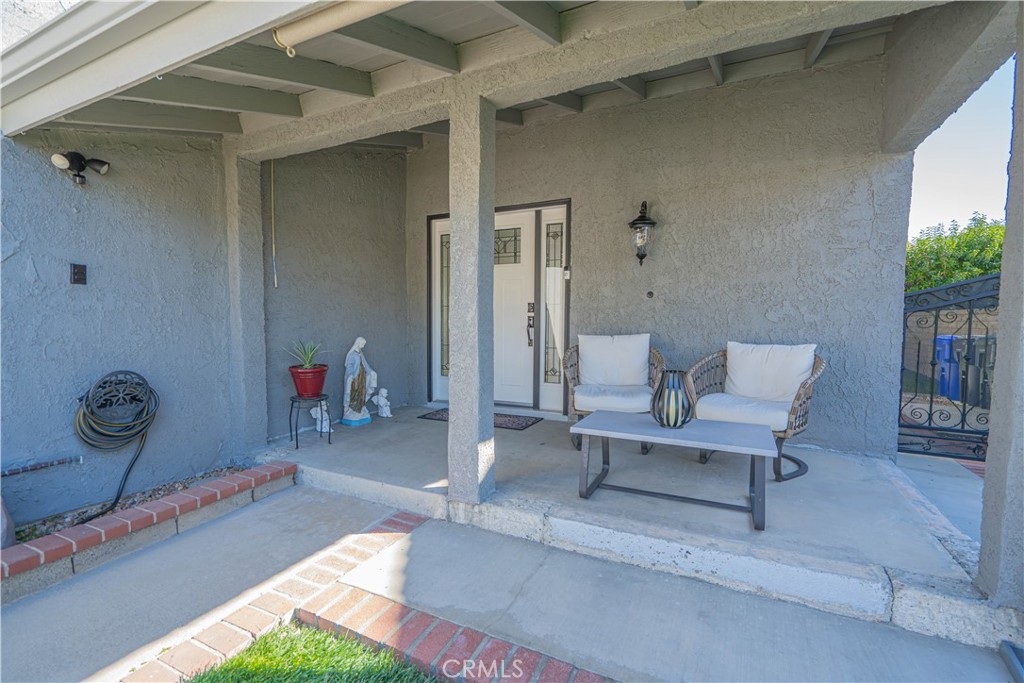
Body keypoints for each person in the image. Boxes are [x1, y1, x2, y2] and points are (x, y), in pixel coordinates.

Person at [342, 336, 377, 426]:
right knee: (354, 393)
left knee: (361, 393)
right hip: (355, 378)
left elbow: (365, 365)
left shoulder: (360, 354)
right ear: (358, 343)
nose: (363, 346)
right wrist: (351, 375)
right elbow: (349, 366)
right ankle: (353, 409)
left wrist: (371, 372)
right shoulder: (352, 354)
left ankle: (360, 408)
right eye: (363, 344)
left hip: (362, 377)